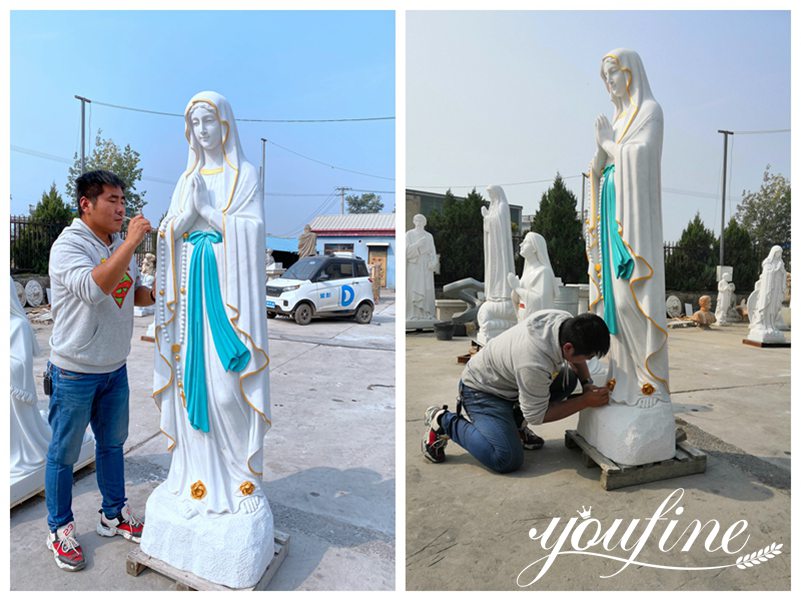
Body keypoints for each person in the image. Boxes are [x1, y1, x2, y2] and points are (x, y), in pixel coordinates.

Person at [150, 90, 271, 517]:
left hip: (227, 303)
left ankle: (242, 479)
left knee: (226, 393)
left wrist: (207, 209)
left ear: (225, 126)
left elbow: (252, 237)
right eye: (194, 124)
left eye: (208, 122)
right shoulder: (186, 180)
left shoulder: (245, 176)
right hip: (189, 306)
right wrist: (182, 222)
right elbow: (169, 234)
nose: (202, 132)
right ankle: (195, 479)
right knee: (188, 394)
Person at [45, 169, 153, 571]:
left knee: (112, 445)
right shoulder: (69, 246)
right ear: (85, 204)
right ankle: (59, 528)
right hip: (74, 370)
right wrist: (128, 244)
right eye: (112, 200)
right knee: (64, 454)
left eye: (123, 200)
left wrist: (163, 288)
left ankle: (113, 514)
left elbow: (132, 291)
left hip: (114, 367)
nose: (121, 208)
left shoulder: (118, 244)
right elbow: (96, 287)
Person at [422, 311, 611, 474]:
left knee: (569, 379)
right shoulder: (533, 362)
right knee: (505, 458)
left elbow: (575, 360)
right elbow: (537, 416)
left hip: (510, 383)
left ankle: (515, 420)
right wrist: (585, 401)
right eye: (588, 357)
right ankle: (444, 421)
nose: (587, 360)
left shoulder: (563, 321)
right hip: (481, 392)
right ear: (568, 347)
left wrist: (586, 384)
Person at [585, 48, 670, 409]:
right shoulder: (618, 121)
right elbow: (601, 168)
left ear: (630, 73)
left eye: (613, 74)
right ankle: (622, 376)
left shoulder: (650, 111)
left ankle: (650, 381)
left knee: (629, 297)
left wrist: (608, 144)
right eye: (604, 77)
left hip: (631, 221)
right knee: (612, 304)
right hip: (610, 214)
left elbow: (641, 159)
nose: (608, 82)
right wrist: (599, 155)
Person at [507, 231, 557, 322]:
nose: (521, 244)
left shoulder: (543, 272)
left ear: (535, 248)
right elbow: (519, 300)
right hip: (523, 319)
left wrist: (517, 288)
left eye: (526, 242)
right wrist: (515, 290)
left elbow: (540, 301)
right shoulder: (526, 272)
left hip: (536, 324)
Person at [406, 214, 437, 320]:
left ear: (425, 223)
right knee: (414, 289)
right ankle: (413, 314)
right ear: (414, 221)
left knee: (427, 289)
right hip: (414, 265)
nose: (419, 223)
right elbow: (406, 252)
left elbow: (433, 252)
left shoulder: (429, 236)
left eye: (421, 221)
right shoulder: (409, 235)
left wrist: (433, 262)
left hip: (426, 266)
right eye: (417, 220)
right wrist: (417, 244)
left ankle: (427, 313)